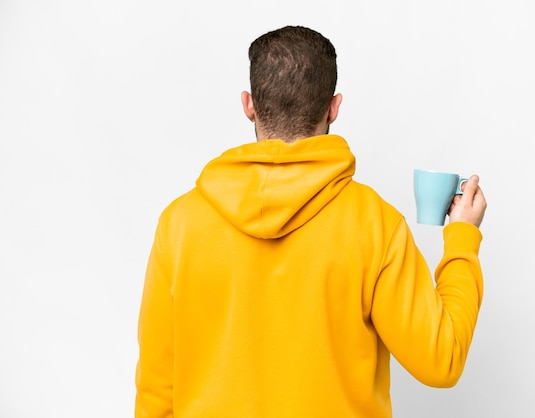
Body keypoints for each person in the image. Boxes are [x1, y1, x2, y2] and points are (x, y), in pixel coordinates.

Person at [135, 25, 487, 418]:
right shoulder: (376, 224)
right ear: (333, 107)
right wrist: (462, 239)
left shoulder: (180, 223)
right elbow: (441, 360)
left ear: (248, 104)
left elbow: (156, 391)